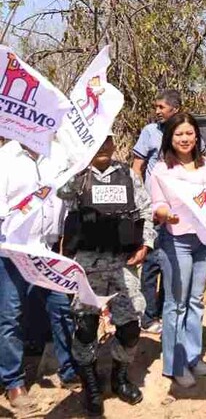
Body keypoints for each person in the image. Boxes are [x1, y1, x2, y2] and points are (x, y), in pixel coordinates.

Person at [59, 134, 154, 416]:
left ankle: (119, 378)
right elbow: (60, 193)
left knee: (130, 328)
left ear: (114, 144)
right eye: (95, 142)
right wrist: (78, 164)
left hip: (122, 265)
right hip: (87, 266)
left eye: (106, 141)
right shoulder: (78, 176)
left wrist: (146, 243)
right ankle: (90, 384)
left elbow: (145, 210)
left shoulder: (127, 174)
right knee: (86, 328)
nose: (102, 147)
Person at [0, 140, 78, 416]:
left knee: (60, 307)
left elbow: (66, 197)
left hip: (47, 249)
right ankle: (13, 382)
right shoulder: (6, 157)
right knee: (10, 316)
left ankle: (69, 370)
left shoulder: (59, 152)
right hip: (12, 250)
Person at [150, 112, 206, 388]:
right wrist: (166, 215)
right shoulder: (161, 169)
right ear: (170, 137)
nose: (184, 139)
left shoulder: (205, 164)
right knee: (176, 303)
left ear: (196, 136)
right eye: (178, 134)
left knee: (196, 300)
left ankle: (193, 356)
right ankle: (175, 363)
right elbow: (156, 204)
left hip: (204, 240)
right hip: (176, 241)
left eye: (189, 133)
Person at [132, 90, 181, 333]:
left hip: (180, 214)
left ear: (175, 109)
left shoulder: (185, 132)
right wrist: (142, 202)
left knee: (172, 264)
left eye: (161, 106)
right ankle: (148, 316)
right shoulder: (150, 132)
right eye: (156, 106)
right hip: (154, 213)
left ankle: (166, 312)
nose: (157, 111)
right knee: (151, 263)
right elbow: (137, 167)